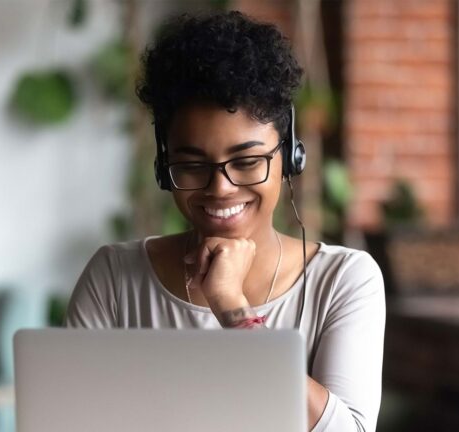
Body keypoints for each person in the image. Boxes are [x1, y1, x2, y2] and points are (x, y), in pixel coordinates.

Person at [65, 10, 385, 432]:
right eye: (193, 165)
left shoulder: (344, 279)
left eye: (248, 161)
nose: (221, 188)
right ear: (165, 167)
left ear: (289, 157)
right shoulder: (114, 278)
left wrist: (232, 307)